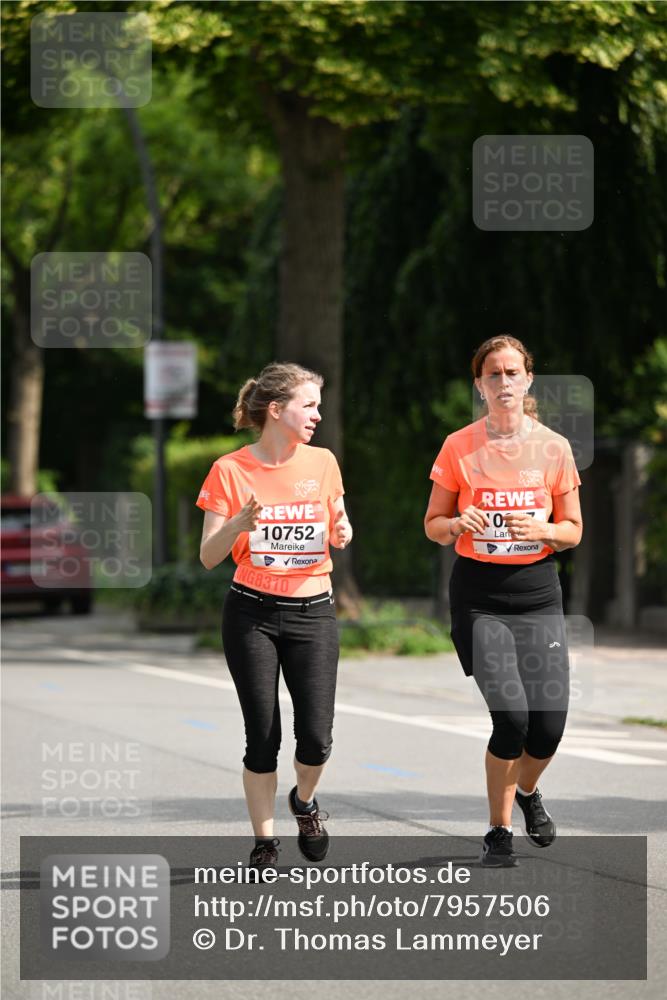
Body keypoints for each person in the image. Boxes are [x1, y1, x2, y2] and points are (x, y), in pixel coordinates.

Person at [424, 336, 582, 867]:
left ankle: (529, 791)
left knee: (549, 726)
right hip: (480, 597)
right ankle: (499, 829)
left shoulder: (554, 448)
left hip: (537, 594)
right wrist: (454, 523)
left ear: (528, 379)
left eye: (513, 372)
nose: (504, 382)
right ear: (480, 384)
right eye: (493, 374)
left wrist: (543, 527)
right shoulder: (458, 446)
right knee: (511, 717)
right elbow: (433, 524)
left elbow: (573, 531)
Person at [196, 362, 352, 870]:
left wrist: (342, 530)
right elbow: (208, 555)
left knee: (317, 737)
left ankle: (304, 803)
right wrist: (237, 523)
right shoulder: (230, 469)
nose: (317, 414)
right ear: (277, 410)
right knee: (262, 735)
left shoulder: (324, 462)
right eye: (309, 405)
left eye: (318, 405)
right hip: (252, 615)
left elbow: (337, 518)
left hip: (314, 612)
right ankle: (264, 843)